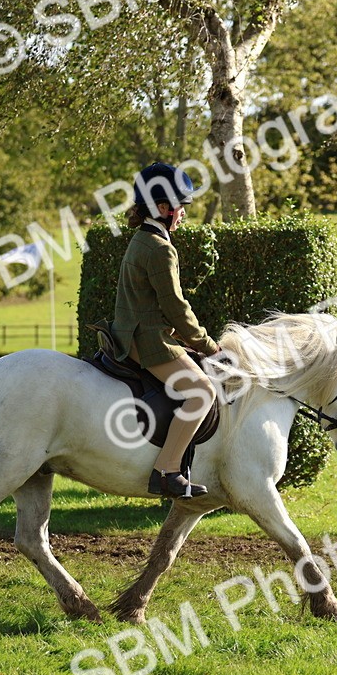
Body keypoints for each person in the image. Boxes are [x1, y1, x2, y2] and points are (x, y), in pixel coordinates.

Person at [111, 162, 219, 499]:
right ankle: (167, 470)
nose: (184, 214)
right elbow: (176, 307)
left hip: (135, 331)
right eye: (181, 207)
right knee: (203, 391)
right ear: (162, 208)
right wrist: (207, 345)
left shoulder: (143, 239)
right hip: (148, 340)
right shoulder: (160, 248)